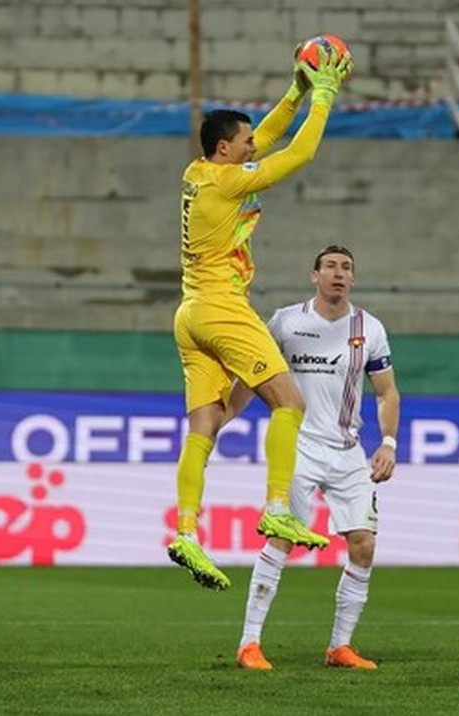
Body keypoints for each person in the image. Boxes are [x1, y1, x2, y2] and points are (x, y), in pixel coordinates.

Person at [167, 46, 353, 590]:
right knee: (289, 403)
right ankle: (277, 506)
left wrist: (293, 91)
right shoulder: (227, 182)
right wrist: (322, 96)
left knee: (206, 425)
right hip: (225, 308)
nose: (253, 146)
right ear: (226, 149)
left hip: (189, 313)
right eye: (243, 143)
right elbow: (298, 155)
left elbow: (267, 138)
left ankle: (186, 531)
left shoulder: (200, 172)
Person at [235, 246, 400, 671]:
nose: (339, 273)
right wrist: (221, 417)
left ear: (353, 278)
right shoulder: (287, 322)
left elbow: (386, 392)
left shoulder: (369, 328)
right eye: (330, 266)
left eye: (346, 267)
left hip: (348, 451)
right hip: (298, 448)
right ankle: (249, 643)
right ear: (314, 276)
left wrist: (388, 443)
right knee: (282, 537)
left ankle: (339, 647)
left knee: (363, 544)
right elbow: (254, 376)